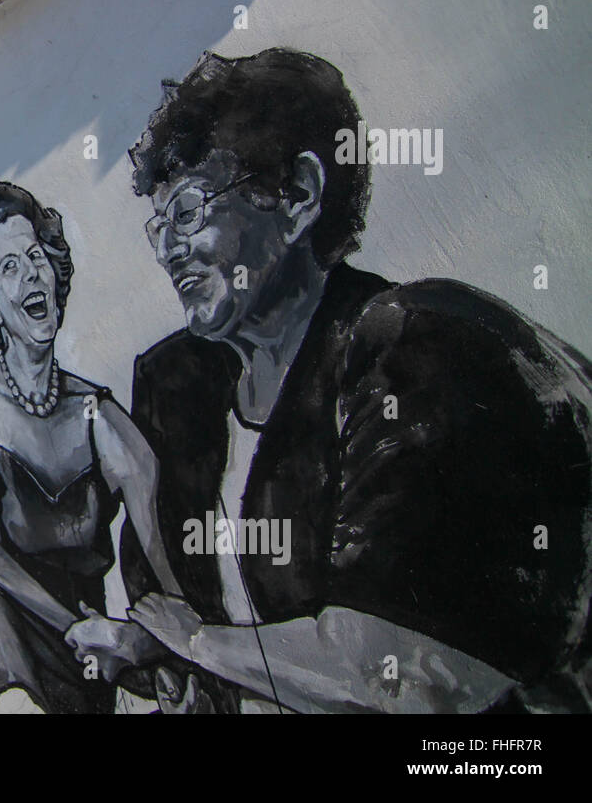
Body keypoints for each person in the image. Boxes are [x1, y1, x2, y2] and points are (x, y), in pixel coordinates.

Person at [65, 48, 592, 713]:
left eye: (191, 211)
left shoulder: (424, 346)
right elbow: (158, 608)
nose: (168, 247)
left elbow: (402, 677)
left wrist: (194, 642)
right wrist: (151, 651)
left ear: (297, 196)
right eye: (158, 223)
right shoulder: (182, 387)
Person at [0, 181, 182, 713]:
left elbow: (165, 564)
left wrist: (162, 644)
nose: (31, 272)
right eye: (8, 267)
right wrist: (80, 630)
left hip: (91, 637)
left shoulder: (99, 415)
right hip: (7, 615)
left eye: (35, 256)